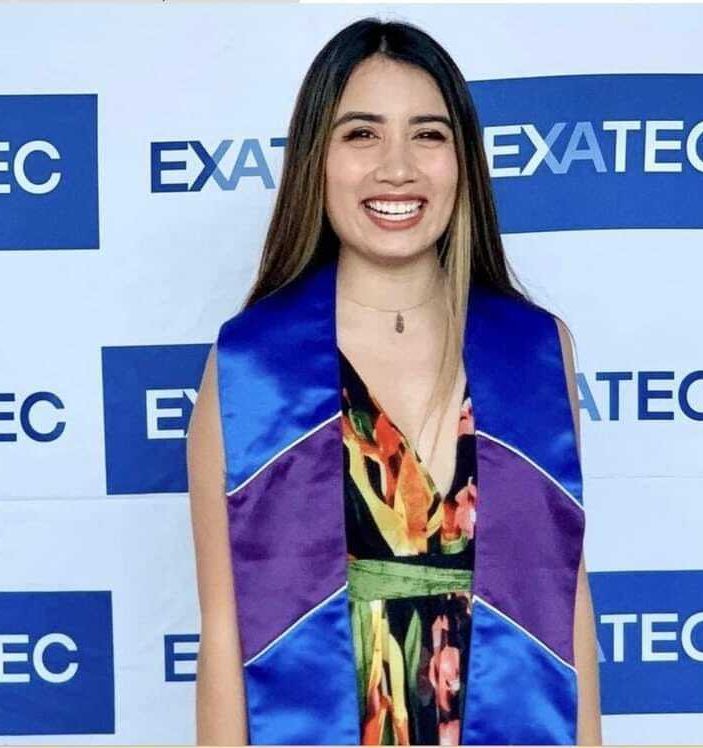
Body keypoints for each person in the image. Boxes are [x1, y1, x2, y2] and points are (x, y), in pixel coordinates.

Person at [188, 16, 602, 747]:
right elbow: (225, 634)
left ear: (462, 160)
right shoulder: (252, 368)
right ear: (316, 158)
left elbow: (565, 606)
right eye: (362, 134)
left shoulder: (536, 352)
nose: (397, 168)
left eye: (428, 135)